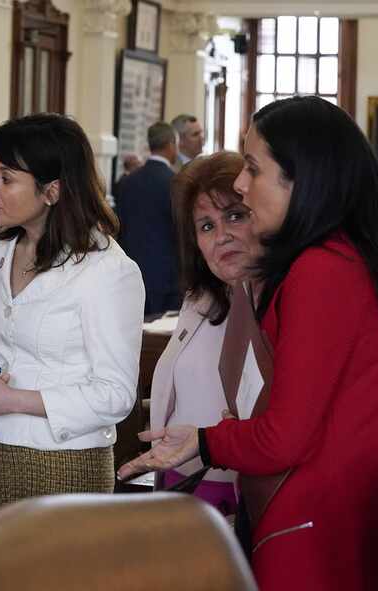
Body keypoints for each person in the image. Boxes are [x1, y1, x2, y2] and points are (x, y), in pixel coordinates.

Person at [119, 96, 378, 590]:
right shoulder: (331, 261)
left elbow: (286, 436)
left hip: (308, 518)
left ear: (301, 179)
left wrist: (204, 440)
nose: (243, 183)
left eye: (254, 169)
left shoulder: (321, 270)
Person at [0, 113, 144, 516]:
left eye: (6, 178)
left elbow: (115, 394)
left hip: (65, 463)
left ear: (52, 191)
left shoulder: (107, 271)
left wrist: (13, 399)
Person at [149, 151, 261, 516]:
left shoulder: (277, 302)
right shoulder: (199, 300)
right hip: (176, 482)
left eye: (234, 216)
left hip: (236, 491)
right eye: (207, 226)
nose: (223, 235)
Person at [115, 122, 181, 315]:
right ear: (170, 144)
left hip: (131, 273)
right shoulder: (175, 183)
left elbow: (120, 226)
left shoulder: (127, 182)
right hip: (167, 277)